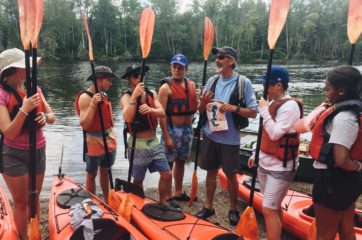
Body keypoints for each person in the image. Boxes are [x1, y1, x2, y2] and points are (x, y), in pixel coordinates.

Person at [295, 65, 362, 240]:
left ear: (341, 91)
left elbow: (340, 158)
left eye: (328, 89)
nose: (326, 92)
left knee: (324, 234)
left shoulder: (344, 118)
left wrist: (357, 167)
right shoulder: (348, 112)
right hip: (344, 182)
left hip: (333, 181)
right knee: (346, 229)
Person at [196, 46, 257, 225]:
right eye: (216, 57)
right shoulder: (212, 80)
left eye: (221, 57)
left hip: (230, 139)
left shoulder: (243, 83)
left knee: (231, 175)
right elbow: (200, 110)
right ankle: (208, 207)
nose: (217, 60)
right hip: (210, 134)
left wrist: (232, 108)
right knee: (210, 172)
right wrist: (203, 103)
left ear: (231, 61)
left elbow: (253, 112)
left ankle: (233, 209)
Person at [0, 48, 55, 239]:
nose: (29, 69)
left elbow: (52, 117)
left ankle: (35, 234)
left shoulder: (35, 89)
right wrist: (24, 109)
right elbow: (9, 132)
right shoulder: (2, 94)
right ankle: (23, 237)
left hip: (38, 149)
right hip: (14, 153)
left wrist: (44, 116)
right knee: (22, 202)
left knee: (35, 197)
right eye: (25, 66)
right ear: (15, 70)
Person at [247, 66, 303, 240]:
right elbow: (264, 132)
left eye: (267, 85)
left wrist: (263, 109)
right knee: (274, 205)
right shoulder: (272, 103)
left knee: (268, 208)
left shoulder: (290, 106)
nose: (265, 88)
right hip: (265, 162)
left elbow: (276, 133)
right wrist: (254, 153)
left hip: (281, 167)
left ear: (279, 85)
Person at [120, 64, 173, 205]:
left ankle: (163, 201)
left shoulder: (152, 94)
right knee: (138, 180)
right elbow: (127, 118)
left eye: (141, 75)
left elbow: (162, 113)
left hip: (154, 142)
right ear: (129, 80)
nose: (139, 78)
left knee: (167, 174)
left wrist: (151, 110)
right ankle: (138, 203)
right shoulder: (126, 97)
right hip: (137, 144)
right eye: (135, 76)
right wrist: (134, 97)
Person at [158, 54, 198, 204]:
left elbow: (196, 107)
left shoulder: (191, 85)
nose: (176, 70)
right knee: (167, 163)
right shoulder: (165, 88)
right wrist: (166, 136)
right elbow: (161, 115)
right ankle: (167, 197)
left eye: (180, 67)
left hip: (188, 130)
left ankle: (178, 192)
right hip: (172, 130)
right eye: (174, 67)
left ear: (186, 69)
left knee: (181, 161)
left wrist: (205, 102)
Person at [75, 65, 118, 203]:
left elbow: (110, 121)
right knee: (91, 173)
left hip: (107, 138)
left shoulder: (104, 95)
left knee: (105, 170)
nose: (111, 83)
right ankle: (92, 202)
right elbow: (84, 124)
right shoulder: (85, 97)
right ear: (99, 80)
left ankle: (107, 200)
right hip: (93, 140)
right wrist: (93, 104)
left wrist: (112, 134)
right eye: (108, 80)